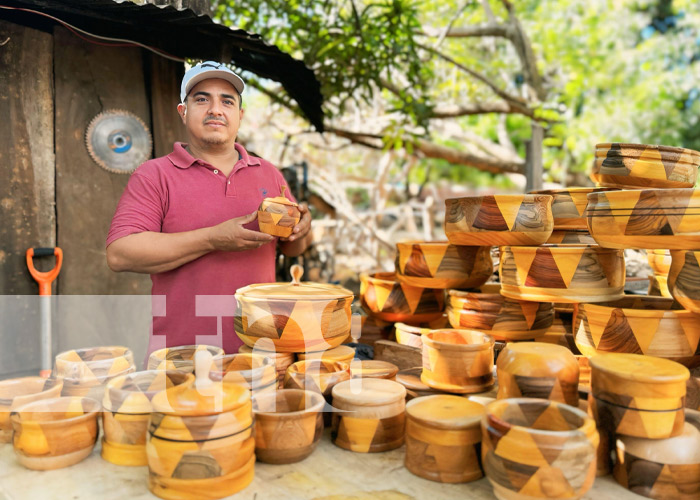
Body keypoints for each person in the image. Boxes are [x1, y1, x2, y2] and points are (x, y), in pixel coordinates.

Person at [106, 61, 312, 355]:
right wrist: (213, 239)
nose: (216, 109)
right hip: (184, 355)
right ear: (183, 111)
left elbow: (293, 247)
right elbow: (120, 253)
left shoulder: (270, 174)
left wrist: (303, 229)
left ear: (239, 116)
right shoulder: (154, 175)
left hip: (261, 350)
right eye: (202, 99)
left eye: (227, 101)